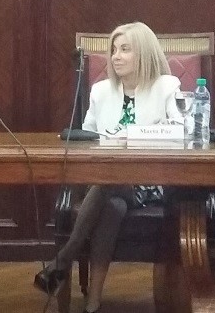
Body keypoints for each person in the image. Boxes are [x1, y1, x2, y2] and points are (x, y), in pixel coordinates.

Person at [34, 21, 180, 313]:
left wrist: (138, 136)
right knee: (112, 206)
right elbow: (87, 140)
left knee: (107, 186)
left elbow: (181, 130)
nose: (116, 56)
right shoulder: (100, 91)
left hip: (149, 182)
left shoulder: (166, 86)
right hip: (106, 181)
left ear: (145, 53)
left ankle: (63, 261)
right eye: (114, 49)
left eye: (125, 49)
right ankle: (93, 302)